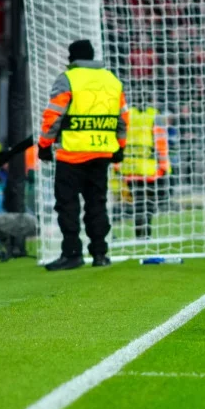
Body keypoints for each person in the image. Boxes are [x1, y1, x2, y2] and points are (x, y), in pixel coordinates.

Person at [37, 39, 128, 271]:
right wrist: (120, 146)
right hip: (101, 152)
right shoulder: (112, 80)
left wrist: (44, 145)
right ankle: (99, 253)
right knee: (97, 203)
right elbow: (123, 118)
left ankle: (72, 253)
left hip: (72, 153)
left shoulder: (68, 78)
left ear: (72, 57)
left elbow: (53, 115)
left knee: (68, 205)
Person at [117, 102, 170, 239]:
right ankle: (145, 234)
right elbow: (161, 142)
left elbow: (119, 136)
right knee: (148, 203)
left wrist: (118, 164)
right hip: (149, 168)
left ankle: (140, 234)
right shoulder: (154, 115)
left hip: (129, 167)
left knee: (138, 202)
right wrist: (164, 165)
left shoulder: (126, 114)